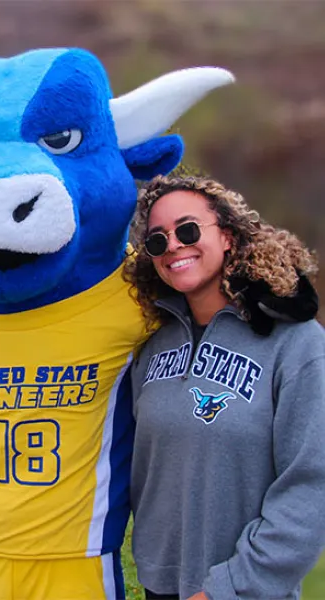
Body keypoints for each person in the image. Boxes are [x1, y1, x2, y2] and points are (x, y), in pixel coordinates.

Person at [124, 175, 325, 600]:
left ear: (228, 236)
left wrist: (230, 586)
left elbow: (311, 485)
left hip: (247, 590)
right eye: (157, 241)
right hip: (158, 585)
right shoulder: (152, 345)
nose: (173, 245)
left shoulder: (296, 343)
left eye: (187, 230)